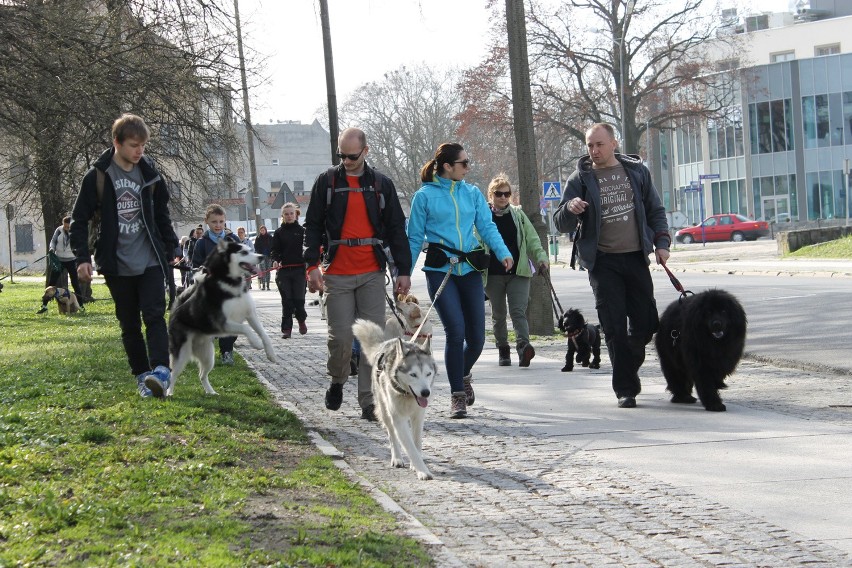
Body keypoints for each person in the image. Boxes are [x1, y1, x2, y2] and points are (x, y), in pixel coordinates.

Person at [553, 123, 671, 409]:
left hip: (635, 257)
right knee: (614, 327)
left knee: (646, 323)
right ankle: (625, 390)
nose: (594, 150)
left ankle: (627, 369)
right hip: (602, 262)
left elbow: (655, 209)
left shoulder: (637, 172)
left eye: (599, 144)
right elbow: (558, 221)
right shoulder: (580, 178)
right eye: (590, 145)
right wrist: (570, 209)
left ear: (614, 143)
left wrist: (662, 242)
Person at [303, 127, 411, 422]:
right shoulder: (326, 182)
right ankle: (337, 380)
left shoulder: (380, 184)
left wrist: (403, 270)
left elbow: (396, 230)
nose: (346, 160)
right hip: (336, 272)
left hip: (372, 273)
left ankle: (368, 401)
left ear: (366, 151)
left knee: (372, 341)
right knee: (339, 339)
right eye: (341, 155)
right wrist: (311, 265)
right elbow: (312, 225)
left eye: (352, 156)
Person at [69, 113, 180, 398]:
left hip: (150, 259)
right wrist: (82, 258)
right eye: (133, 145)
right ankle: (143, 377)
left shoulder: (150, 173)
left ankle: (161, 372)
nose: (139, 151)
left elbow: (161, 214)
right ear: (116, 142)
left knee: (155, 316)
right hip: (117, 264)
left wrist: (171, 248)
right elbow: (79, 220)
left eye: (143, 145)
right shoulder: (97, 177)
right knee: (129, 323)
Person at [407, 143, 513, 419]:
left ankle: (462, 372)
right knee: (456, 331)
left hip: (470, 269)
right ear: (447, 167)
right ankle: (457, 396)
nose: (468, 167)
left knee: (477, 338)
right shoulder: (424, 197)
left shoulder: (472, 193)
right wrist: (404, 273)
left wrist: (503, 252)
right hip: (441, 269)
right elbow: (415, 238)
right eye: (464, 163)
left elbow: (486, 226)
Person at [483, 174, 549, 368]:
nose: (503, 197)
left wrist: (541, 259)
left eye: (506, 193)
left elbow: (532, 239)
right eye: (498, 194)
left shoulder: (518, 215)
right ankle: (503, 349)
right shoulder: (483, 216)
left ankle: (523, 346)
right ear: (491, 195)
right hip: (493, 273)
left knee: (518, 310)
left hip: (518, 272)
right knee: (499, 313)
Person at [191, 203, 240, 366]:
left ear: (225, 221)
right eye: (214, 222)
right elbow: (195, 266)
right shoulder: (201, 243)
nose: (218, 225)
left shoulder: (232, 240)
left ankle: (227, 352)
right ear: (207, 222)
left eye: (221, 222)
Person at [271, 203, 308, 338]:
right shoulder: (278, 232)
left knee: (299, 300)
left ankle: (301, 319)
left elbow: (307, 249)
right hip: (284, 271)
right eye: (286, 214)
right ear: (283, 216)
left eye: (291, 213)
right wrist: (275, 260)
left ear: (296, 214)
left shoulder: (303, 231)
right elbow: (275, 250)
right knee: (287, 301)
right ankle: (287, 329)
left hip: (299, 270)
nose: (289, 216)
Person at [38, 215, 84, 313]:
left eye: (68, 227)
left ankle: (81, 305)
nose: (66, 228)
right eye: (65, 226)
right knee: (51, 283)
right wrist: (52, 248)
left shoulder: (76, 231)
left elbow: (79, 244)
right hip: (59, 260)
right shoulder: (59, 230)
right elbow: (53, 241)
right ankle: (44, 306)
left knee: (75, 283)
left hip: (71, 260)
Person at [253, 225, 273, 290]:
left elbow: (273, 246)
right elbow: (256, 247)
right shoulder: (258, 238)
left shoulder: (269, 237)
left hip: (268, 256)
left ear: (265, 230)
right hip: (262, 256)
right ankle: (263, 285)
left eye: (263, 230)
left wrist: (272, 253)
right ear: (260, 231)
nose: (262, 231)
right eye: (261, 230)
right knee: (263, 270)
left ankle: (268, 285)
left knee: (268, 270)